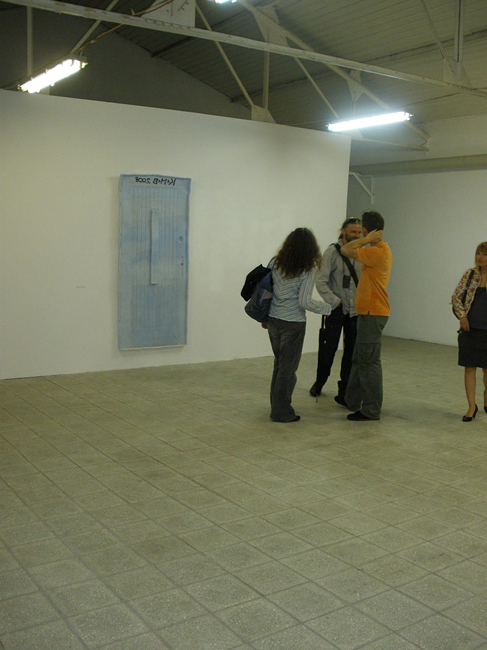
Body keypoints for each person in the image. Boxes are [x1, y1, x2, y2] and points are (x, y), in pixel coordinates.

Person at [264, 228, 331, 422]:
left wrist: (265, 317)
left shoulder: (275, 263)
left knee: (279, 365)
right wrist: (326, 307)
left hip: (273, 320)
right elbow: (304, 302)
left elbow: (267, 291)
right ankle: (281, 411)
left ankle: (276, 406)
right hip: (293, 324)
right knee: (287, 369)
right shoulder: (308, 270)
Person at [340, 211, 392, 421]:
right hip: (367, 312)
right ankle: (352, 400)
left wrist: (365, 239)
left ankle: (371, 409)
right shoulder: (376, 250)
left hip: (373, 312)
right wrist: (367, 239)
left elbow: (345, 249)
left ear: (365, 230)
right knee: (359, 358)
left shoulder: (377, 251)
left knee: (369, 362)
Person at [310, 217, 362, 401]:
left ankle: (344, 389)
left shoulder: (362, 252)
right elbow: (320, 281)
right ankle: (320, 382)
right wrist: (335, 301)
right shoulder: (332, 251)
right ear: (344, 231)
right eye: (353, 231)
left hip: (355, 310)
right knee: (328, 349)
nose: (356, 235)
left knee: (351, 352)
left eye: (359, 232)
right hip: (336, 309)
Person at [451, 242, 487, 421]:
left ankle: (486, 397)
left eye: (485, 254)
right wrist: (462, 316)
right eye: (478, 253)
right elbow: (456, 297)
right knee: (470, 368)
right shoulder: (470, 275)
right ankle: (472, 406)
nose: (480, 257)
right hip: (470, 330)